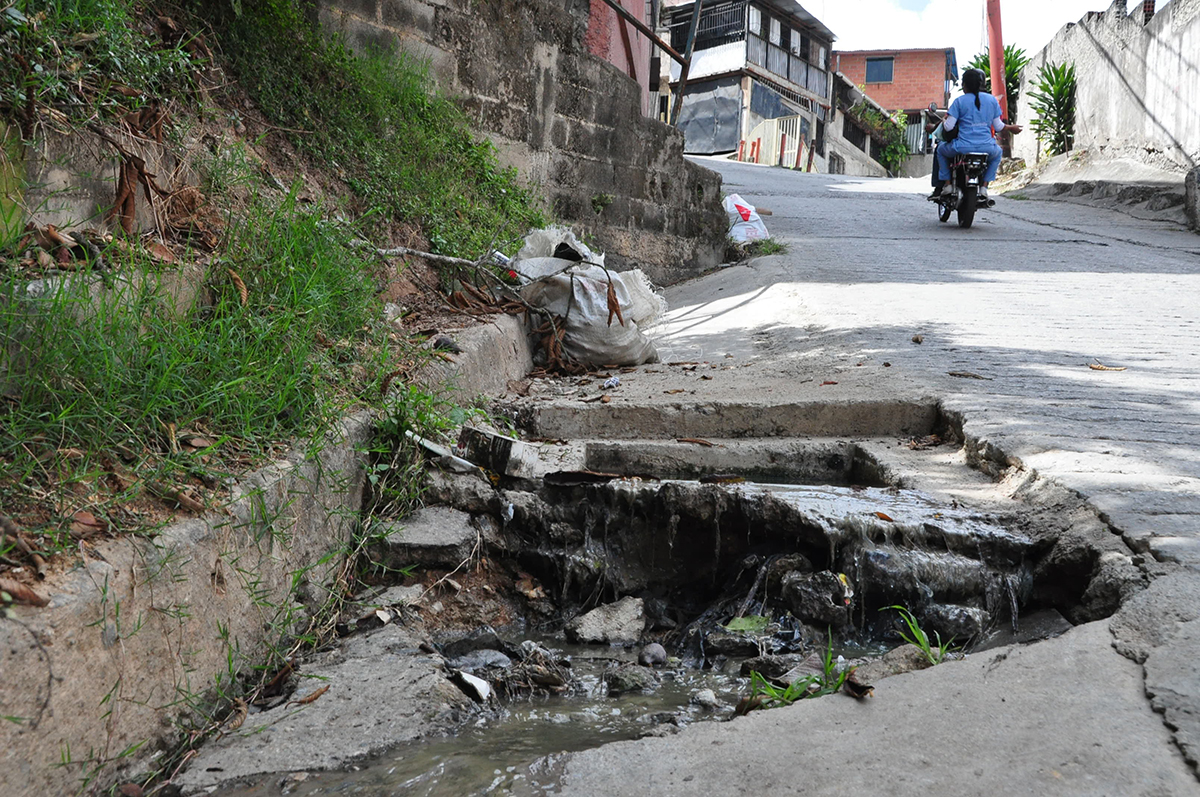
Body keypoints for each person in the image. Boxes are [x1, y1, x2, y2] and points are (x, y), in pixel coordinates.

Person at [931, 68, 1022, 199]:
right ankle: (984, 187)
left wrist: (944, 120)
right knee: (998, 153)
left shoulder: (959, 101)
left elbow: (949, 127)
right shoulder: (992, 100)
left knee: (940, 149)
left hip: (962, 147)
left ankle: (947, 184)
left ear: (964, 85)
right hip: (987, 148)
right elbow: (998, 126)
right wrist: (1011, 127)